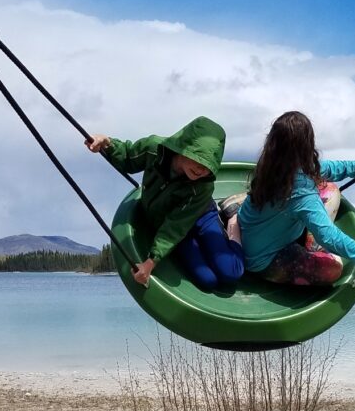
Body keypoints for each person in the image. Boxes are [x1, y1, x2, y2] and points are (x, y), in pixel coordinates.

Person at [225, 111, 355, 285]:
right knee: (334, 268)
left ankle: (236, 205)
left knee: (330, 189)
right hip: (263, 261)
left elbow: (324, 168)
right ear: (307, 144)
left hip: (248, 234)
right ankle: (311, 246)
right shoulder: (302, 193)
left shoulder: (270, 166)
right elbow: (328, 237)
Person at [86, 116, 244, 290]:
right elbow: (128, 158)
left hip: (202, 216)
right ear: (184, 148)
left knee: (231, 273)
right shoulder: (154, 150)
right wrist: (106, 143)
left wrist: (150, 263)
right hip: (175, 225)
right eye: (198, 160)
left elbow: (176, 226)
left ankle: (233, 219)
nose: (201, 170)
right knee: (208, 281)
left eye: (208, 166)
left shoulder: (203, 185)